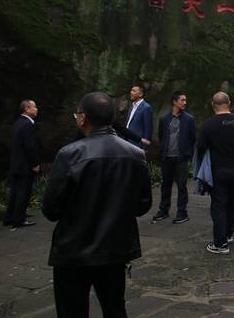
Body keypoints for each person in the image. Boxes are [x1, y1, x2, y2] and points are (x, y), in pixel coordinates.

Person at [42, 92, 152, 318]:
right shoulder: (135, 154)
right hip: (115, 248)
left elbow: (51, 209)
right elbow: (142, 204)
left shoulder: (69, 154)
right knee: (114, 307)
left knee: (72, 310)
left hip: (73, 249)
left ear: (83, 118)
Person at [197, 92, 234, 254]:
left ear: (212, 105)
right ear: (229, 103)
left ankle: (220, 243)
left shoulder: (208, 125)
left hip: (218, 170)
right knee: (232, 202)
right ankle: (229, 233)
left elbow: (200, 147)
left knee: (218, 205)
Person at [153, 91, 196, 224]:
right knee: (165, 184)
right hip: (167, 156)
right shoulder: (164, 119)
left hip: (181, 157)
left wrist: (187, 153)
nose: (184, 102)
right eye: (182, 100)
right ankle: (163, 210)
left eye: (185, 100)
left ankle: (182, 212)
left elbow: (192, 138)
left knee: (182, 185)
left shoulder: (189, 119)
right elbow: (161, 136)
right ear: (174, 101)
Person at [4, 100, 41, 229]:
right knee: (23, 193)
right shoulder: (27, 125)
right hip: (25, 166)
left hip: (15, 164)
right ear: (26, 109)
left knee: (14, 192)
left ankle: (9, 217)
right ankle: (19, 219)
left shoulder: (17, 123)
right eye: (34, 107)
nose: (37, 109)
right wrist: (35, 163)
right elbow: (30, 147)